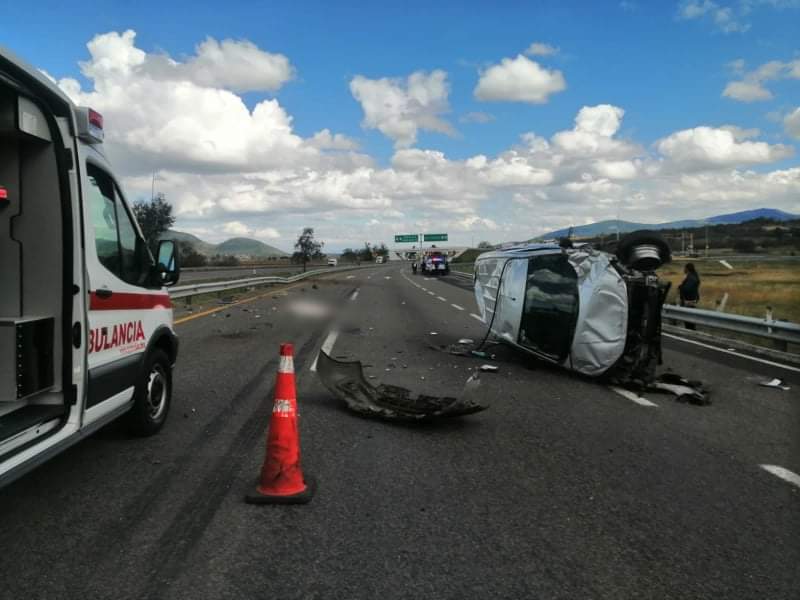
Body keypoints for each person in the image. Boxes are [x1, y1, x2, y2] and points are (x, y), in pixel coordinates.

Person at [678, 262, 700, 329]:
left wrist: (681, 287)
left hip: (688, 300)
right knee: (689, 318)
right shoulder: (692, 276)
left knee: (688, 319)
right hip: (691, 300)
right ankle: (691, 330)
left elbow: (687, 289)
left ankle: (691, 330)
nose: (683, 269)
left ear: (687, 269)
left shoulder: (691, 277)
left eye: (684, 268)